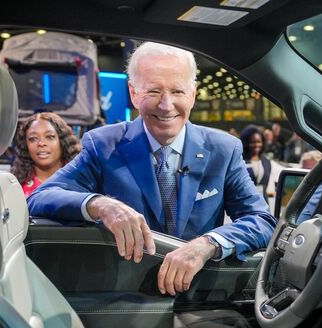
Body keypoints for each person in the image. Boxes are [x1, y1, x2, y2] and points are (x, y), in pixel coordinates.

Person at [27, 42, 276, 296]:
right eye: (154, 91)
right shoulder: (103, 145)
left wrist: (208, 244)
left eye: (177, 91)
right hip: (127, 297)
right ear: (133, 93)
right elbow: (40, 197)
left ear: (192, 94)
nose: (166, 105)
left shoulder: (223, 150)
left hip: (197, 299)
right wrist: (100, 204)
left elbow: (262, 220)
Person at [11, 112, 82, 197]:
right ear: (26, 146)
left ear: (62, 141)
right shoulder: (14, 187)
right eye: (33, 139)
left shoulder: (82, 180)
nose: (41, 143)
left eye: (49, 137)